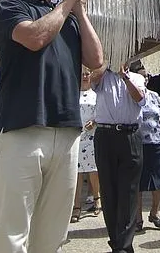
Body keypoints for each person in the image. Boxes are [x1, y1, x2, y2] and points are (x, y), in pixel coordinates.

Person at [0, 0, 104, 253]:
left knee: (52, 236)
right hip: (22, 131)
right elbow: (35, 38)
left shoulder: (69, 16)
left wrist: (79, 11)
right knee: (12, 235)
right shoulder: (10, 8)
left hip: (66, 133)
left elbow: (96, 60)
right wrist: (69, 2)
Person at [89, 61, 146, 253]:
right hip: (105, 136)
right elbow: (92, 80)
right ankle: (116, 242)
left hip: (130, 136)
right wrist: (106, 64)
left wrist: (125, 77)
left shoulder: (137, 77)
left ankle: (124, 246)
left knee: (129, 193)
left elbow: (140, 99)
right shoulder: (102, 76)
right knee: (109, 191)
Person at [131, 60, 160, 233]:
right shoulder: (130, 95)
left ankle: (154, 213)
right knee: (139, 183)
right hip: (138, 143)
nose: (145, 79)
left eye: (146, 76)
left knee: (159, 182)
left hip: (156, 142)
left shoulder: (155, 96)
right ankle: (138, 218)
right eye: (141, 76)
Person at [72, 66, 100, 223]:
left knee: (93, 170)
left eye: (87, 74)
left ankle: (97, 198)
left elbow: (101, 111)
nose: (84, 76)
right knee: (76, 172)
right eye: (82, 74)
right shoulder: (73, 94)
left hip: (92, 136)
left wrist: (94, 121)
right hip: (76, 136)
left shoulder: (96, 95)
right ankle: (76, 205)